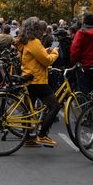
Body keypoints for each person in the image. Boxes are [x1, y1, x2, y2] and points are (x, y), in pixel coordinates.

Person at [16, 17, 60, 147]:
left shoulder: (23, 41)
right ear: (35, 29)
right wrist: (55, 52)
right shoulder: (34, 42)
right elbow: (47, 61)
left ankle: (28, 139)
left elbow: (31, 57)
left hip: (27, 76)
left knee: (28, 111)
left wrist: (44, 52)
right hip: (37, 79)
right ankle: (42, 135)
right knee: (55, 106)